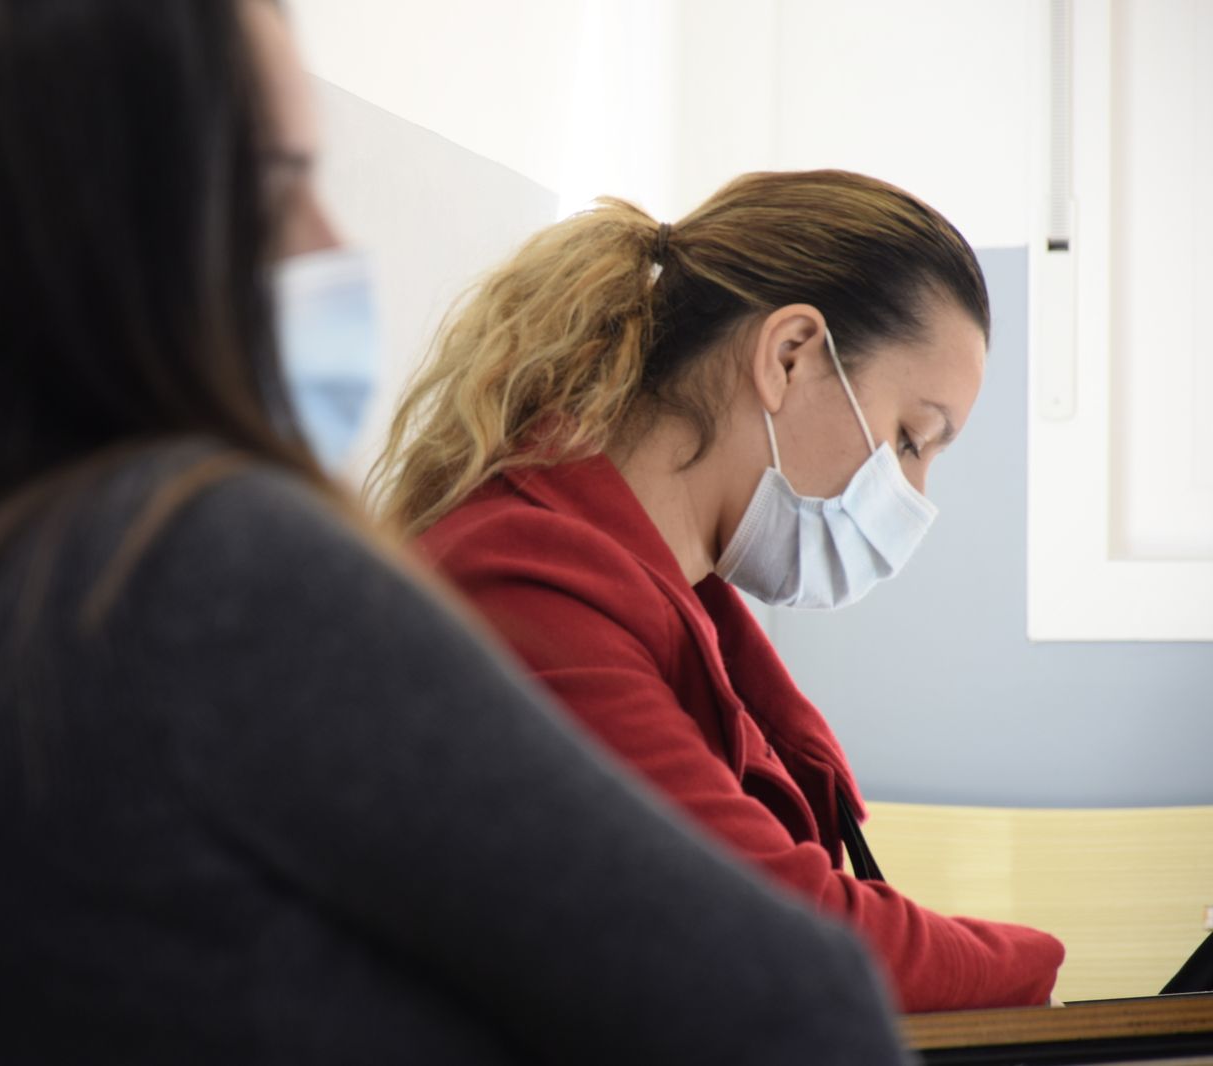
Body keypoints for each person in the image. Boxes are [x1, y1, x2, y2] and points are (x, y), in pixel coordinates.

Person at [0, 2, 912, 1063]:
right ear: (92, 218)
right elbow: (799, 1012)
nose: (334, 243)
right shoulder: (193, 573)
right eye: (281, 183)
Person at [373, 179, 1067, 1013]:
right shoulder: (524, 580)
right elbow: (770, 930)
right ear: (789, 356)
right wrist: (1044, 960)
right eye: (911, 438)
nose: (913, 491)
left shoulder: (671, 603)